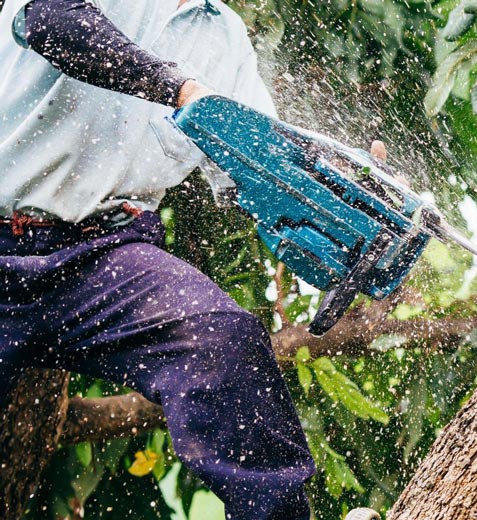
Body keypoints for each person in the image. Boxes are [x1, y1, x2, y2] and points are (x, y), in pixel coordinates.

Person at [0, 0, 323, 518]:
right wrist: (182, 89)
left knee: (222, 337)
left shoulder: (225, 37)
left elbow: (260, 162)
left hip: (106, 256)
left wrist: (333, 186)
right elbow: (50, 20)